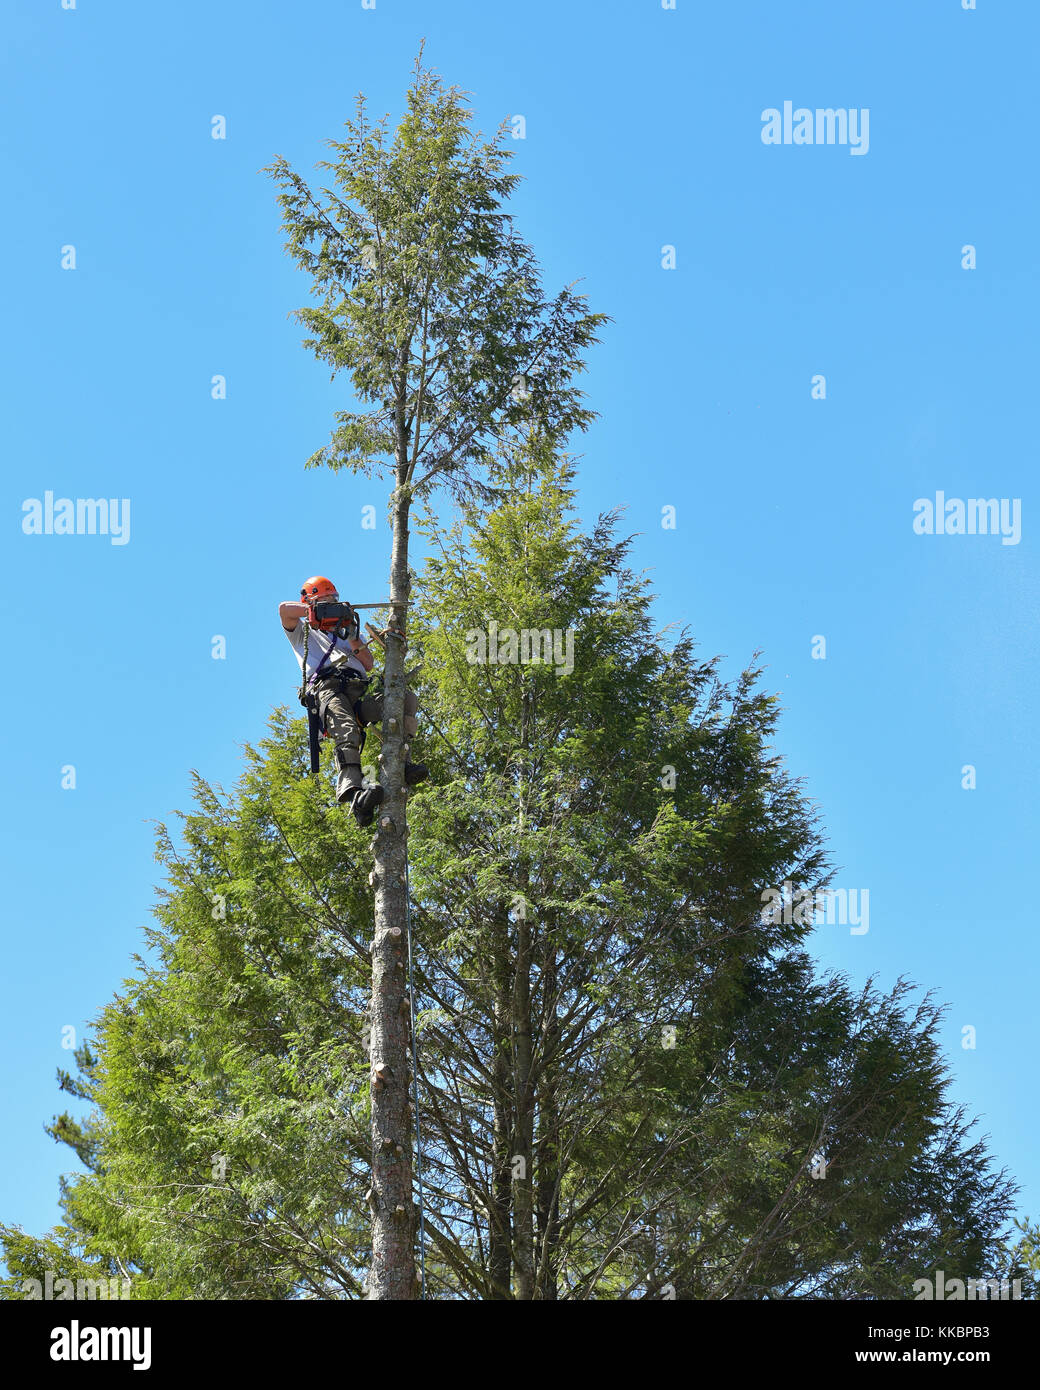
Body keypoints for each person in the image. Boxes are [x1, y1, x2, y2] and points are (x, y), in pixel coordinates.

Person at [279, 576, 427, 825]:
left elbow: (368, 664)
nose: (332, 605)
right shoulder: (302, 632)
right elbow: (284, 610)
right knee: (346, 730)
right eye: (326, 601)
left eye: (333, 601)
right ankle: (354, 793)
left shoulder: (345, 632)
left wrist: (350, 632)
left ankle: (403, 763)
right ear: (312, 602)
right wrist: (316, 611)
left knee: (405, 700)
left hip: (357, 692)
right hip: (328, 689)